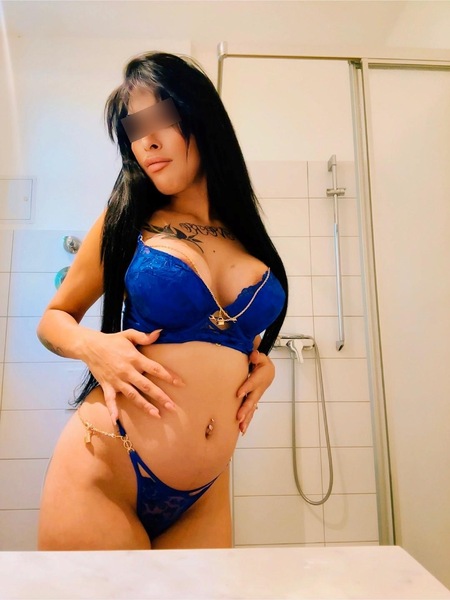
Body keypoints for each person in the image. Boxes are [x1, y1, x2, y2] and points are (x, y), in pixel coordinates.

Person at [37, 51, 288, 550]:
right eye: (134, 128)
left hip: (205, 493)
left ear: (201, 116)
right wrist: (95, 347)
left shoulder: (246, 236)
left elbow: (232, 337)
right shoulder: (126, 219)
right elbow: (53, 319)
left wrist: (265, 365)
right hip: (108, 468)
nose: (146, 140)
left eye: (163, 119)